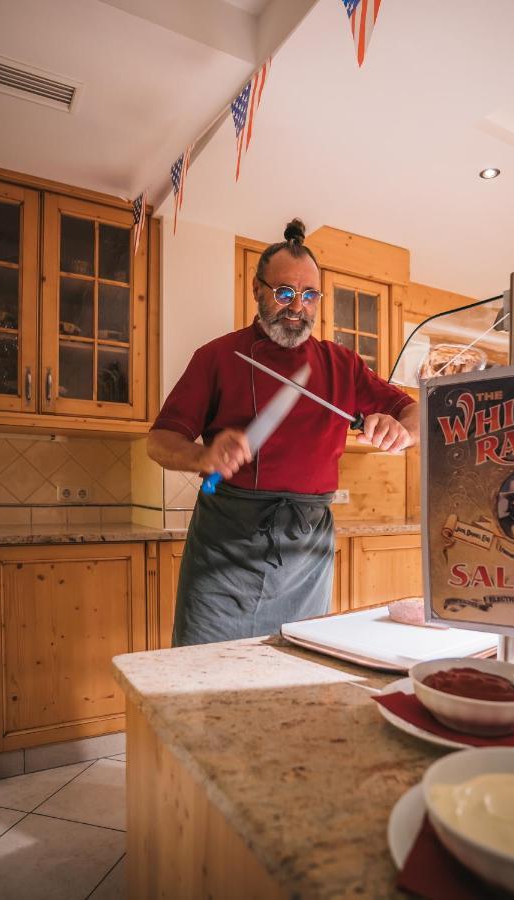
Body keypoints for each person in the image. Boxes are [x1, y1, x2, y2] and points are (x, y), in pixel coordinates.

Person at [147, 218, 419, 646]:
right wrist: (202, 457)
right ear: (258, 290)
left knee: (296, 663)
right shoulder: (218, 356)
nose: (298, 306)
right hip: (226, 547)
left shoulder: (340, 363)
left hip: (306, 554)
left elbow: (414, 413)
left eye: (309, 295)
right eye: (285, 292)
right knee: (206, 667)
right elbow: (159, 441)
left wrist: (401, 431)